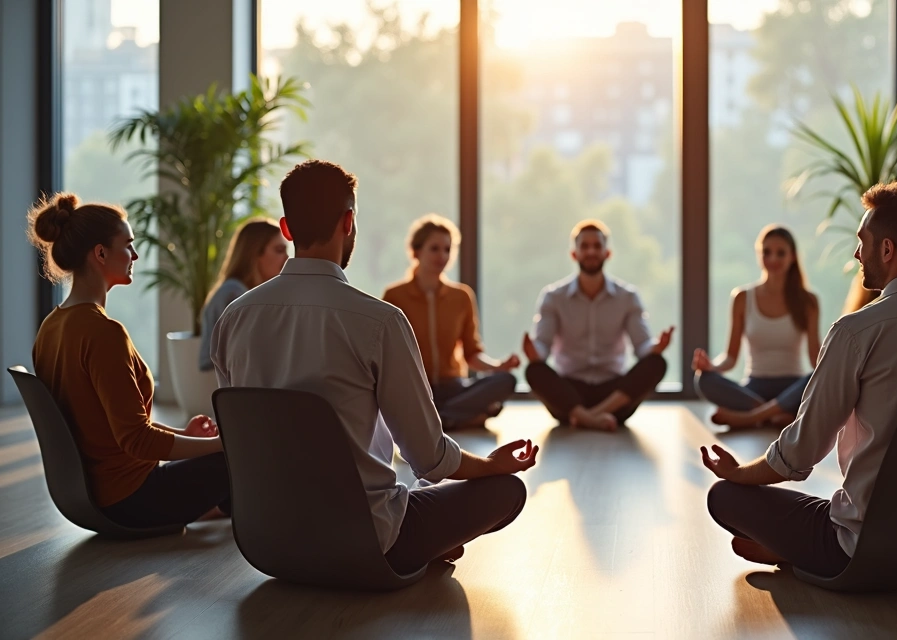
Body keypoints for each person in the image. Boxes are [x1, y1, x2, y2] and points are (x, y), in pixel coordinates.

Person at [211, 160, 536, 573]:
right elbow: (430, 459)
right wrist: (491, 465)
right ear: (348, 222)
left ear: (287, 229)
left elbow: (236, 437)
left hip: (266, 544)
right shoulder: (379, 320)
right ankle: (426, 542)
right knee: (505, 490)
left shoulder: (233, 320)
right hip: (366, 543)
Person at [699, 180, 897, 576]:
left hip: (866, 549)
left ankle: (796, 553)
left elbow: (800, 452)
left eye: (863, 241)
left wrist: (738, 473)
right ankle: (796, 550)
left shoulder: (857, 331)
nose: (857, 252)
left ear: (887, 249)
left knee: (725, 496)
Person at [27, 193, 229, 528]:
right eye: (128, 244)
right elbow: (137, 440)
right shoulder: (103, 333)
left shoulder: (51, 327)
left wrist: (187, 435)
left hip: (95, 497)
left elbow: (113, 425)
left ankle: (214, 507)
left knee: (225, 458)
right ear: (101, 253)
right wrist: (221, 445)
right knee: (243, 454)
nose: (135, 255)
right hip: (131, 499)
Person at [523, 219, 675, 431]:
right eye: (584, 246)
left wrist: (657, 346)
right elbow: (542, 347)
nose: (591, 251)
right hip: (569, 394)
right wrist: (533, 352)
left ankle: (588, 417)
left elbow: (642, 347)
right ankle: (591, 418)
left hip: (614, 395)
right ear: (574, 254)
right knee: (534, 370)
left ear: (607, 253)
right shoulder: (553, 297)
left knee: (657, 363)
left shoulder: (628, 297)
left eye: (597, 246)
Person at [383, 215, 518, 430]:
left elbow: (471, 353)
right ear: (416, 252)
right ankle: (460, 416)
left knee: (506, 381)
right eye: (434, 248)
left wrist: (498, 366)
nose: (442, 256)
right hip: (415, 388)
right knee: (489, 407)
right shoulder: (395, 296)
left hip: (452, 386)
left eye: (447, 249)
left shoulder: (462, 297)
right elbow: (387, 351)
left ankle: (441, 419)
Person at [693, 224, 821, 430]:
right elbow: (730, 357)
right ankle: (776, 415)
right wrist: (711, 367)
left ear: (793, 257)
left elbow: (816, 358)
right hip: (754, 389)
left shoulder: (808, 301)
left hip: (794, 388)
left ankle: (749, 418)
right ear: (758, 254)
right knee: (704, 380)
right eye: (767, 252)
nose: (773, 259)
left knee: (820, 375)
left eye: (780, 253)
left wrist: (835, 368)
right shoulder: (742, 298)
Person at [198, 218, 289, 371]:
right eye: (279, 250)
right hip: (225, 387)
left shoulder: (243, 292)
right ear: (255, 253)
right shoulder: (233, 294)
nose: (287, 259)